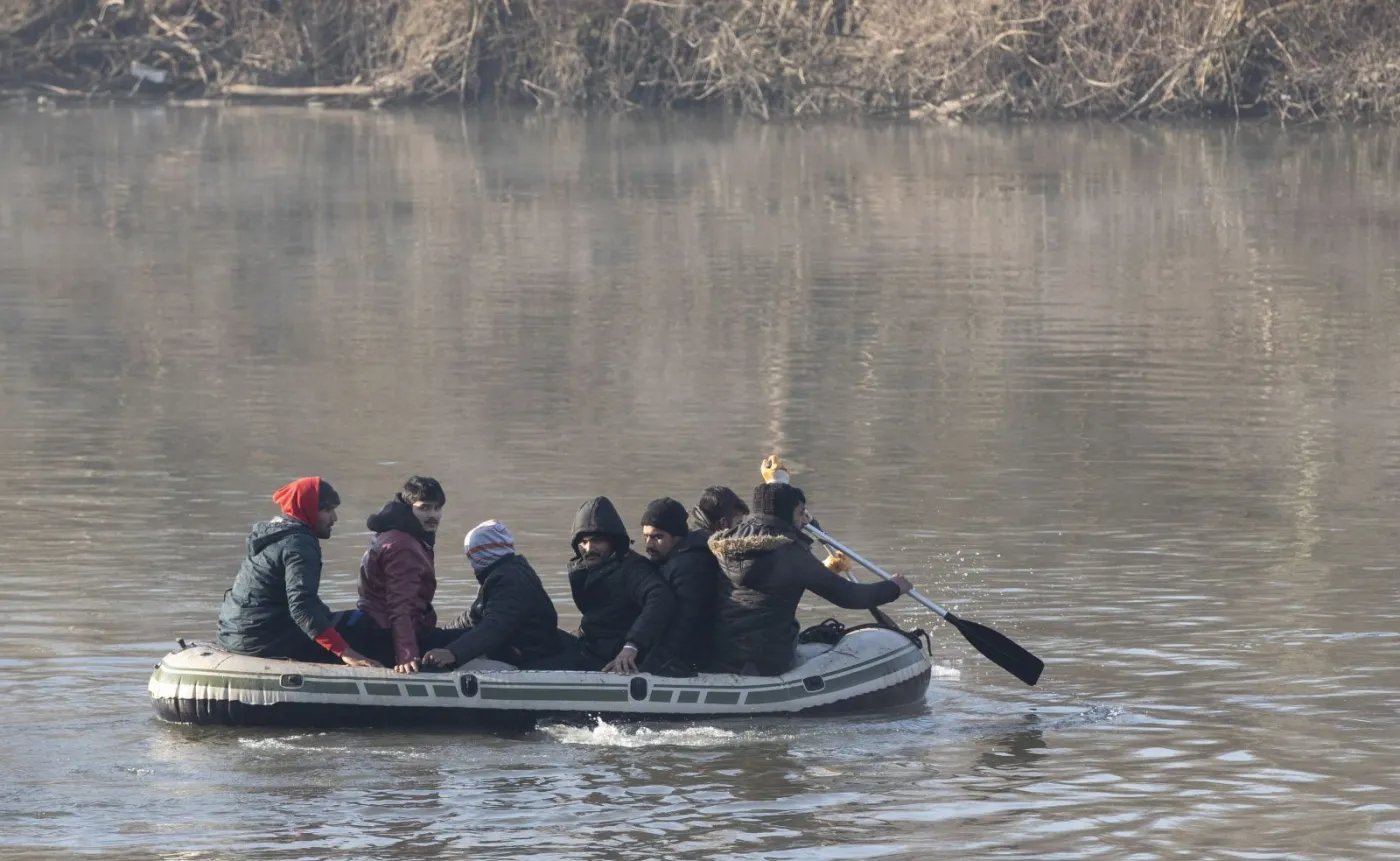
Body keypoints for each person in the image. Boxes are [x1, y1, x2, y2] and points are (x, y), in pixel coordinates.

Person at [709, 482, 912, 676]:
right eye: (799, 513)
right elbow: (849, 596)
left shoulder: (727, 543)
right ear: (786, 514)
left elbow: (768, 583)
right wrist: (893, 587)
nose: (803, 521)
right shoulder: (789, 552)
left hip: (722, 651)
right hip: (765, 658)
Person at [216, 476, 381, 667]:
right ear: (308, 508)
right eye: (327, 510)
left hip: (234, 633)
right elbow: (301, 605)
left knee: (340, 621)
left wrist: (326, 620)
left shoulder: (272, 534)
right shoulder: (300, 544)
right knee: (364, 623)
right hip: (263, 640)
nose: (334, 518)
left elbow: (300, 599)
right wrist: (346, 652)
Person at [421, 520, 566, 670]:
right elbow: (473, 617)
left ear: (480, 554)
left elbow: (495, 627)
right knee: (433, 639)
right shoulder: (506, 571)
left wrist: (452, 653)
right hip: (510, 644)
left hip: (524, 653)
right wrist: (440, 634)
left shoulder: (510, 580)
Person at [349, 476, 459, 673]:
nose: (433, 515)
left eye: (437, 508)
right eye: (424, 508)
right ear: (409, 508)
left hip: (377, 625)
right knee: (473, 640)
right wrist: (407, 655)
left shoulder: (395, 533)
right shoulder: (403, 546)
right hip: (387, 635)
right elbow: (400, 605)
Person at [566, 496, 676, 674]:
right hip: (590, 643)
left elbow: (660, 597)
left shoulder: (632, 568)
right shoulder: (589, 569)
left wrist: (632, 646)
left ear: (613, 542)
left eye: (597, 541)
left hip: (611, 655)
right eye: (583, 542)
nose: (589, 548)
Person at [641, 497, 723, 675]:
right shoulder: (670, 558)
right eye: (646, 536)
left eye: (657, 537)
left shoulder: (691, 566)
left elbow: (684, 623)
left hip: (694, 657)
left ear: (677, 537)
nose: (649, 544)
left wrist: (652, 665)